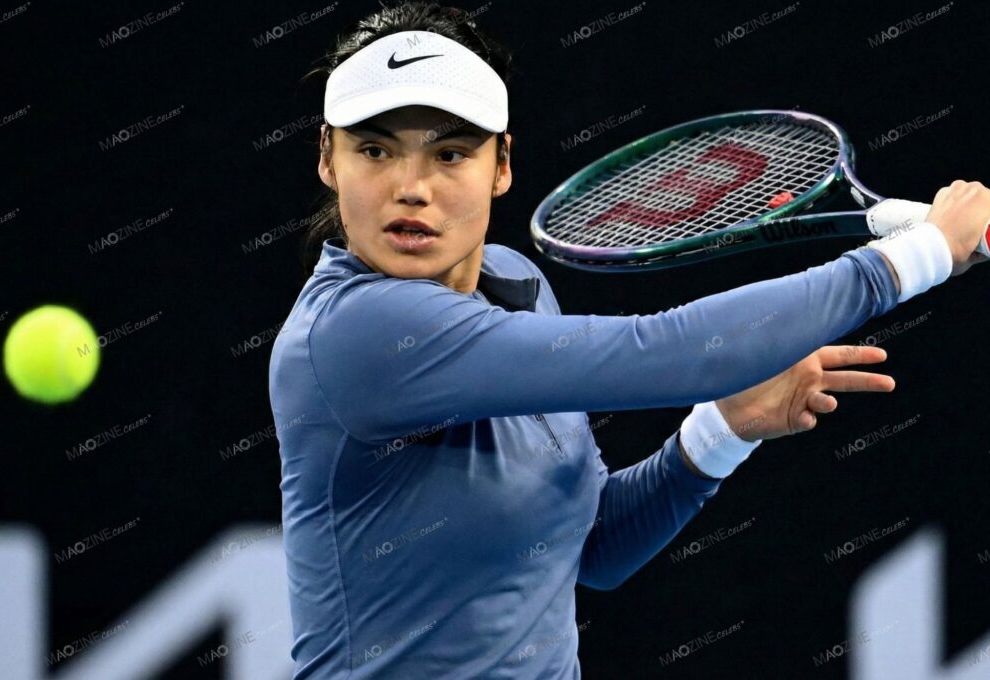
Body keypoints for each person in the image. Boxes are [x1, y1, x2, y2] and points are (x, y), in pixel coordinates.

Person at [268, 2, 990, 678]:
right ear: (328, 158)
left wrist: (720, 430)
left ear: (502, 166)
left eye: (451, 154)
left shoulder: (515, 285)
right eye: (375, 150)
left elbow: (596, 548)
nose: (412, 187)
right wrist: (918, 256)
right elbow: (665, 349)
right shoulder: (355, 334)